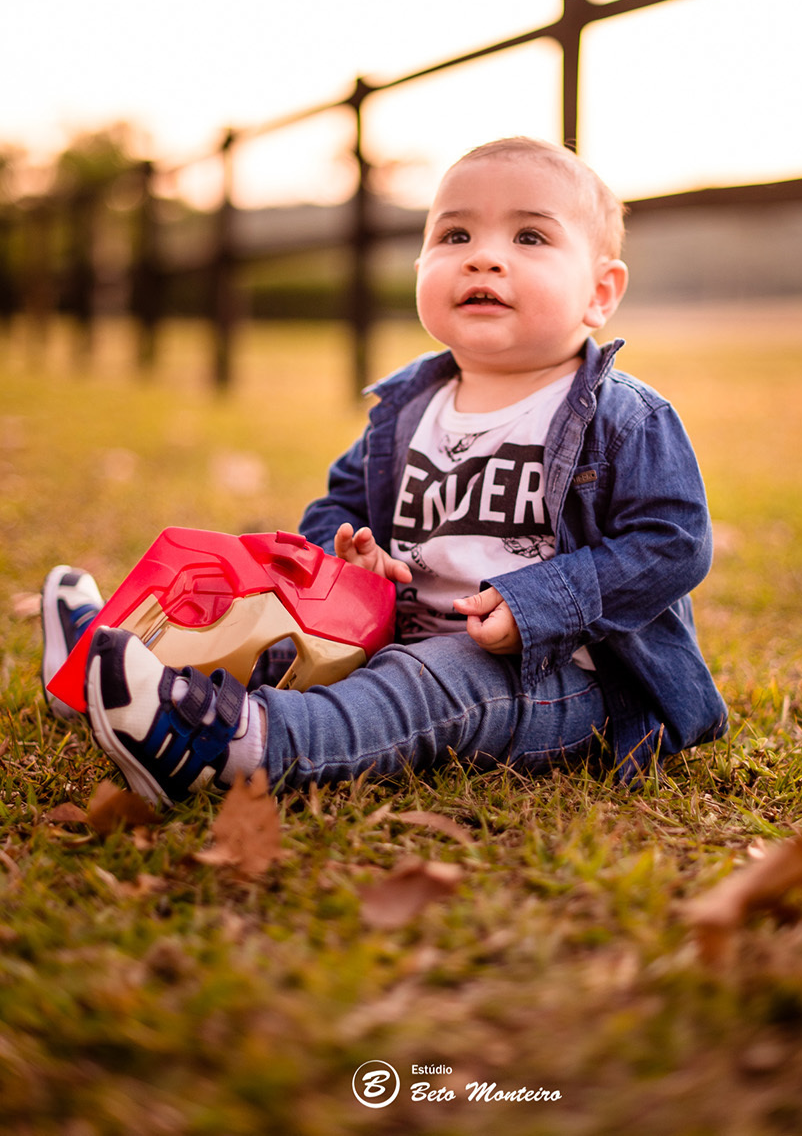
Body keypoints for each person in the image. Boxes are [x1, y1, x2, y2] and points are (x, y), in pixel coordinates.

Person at [41, 136, 727, 808]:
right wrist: (349, 550)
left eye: (529, 238)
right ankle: (108, 664)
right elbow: (339, 504)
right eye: (454, 235)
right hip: (388, 632)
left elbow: (671, 543)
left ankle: (240, 747)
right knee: (268, 625)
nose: (483, 256)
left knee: (423, 681)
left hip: (560, 677)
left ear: (599, 293)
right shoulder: (407, 410)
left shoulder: (621, 416)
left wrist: (537, 605)